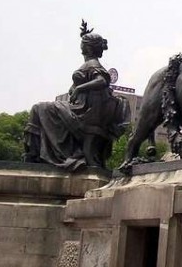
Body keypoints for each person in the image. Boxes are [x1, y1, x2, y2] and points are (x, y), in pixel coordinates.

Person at [24, 22, 130, 170]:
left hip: (82, 113)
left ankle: (34, 154)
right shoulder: (90, 63)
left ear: (86, 47)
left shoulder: (92, 64)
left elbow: (102, 80)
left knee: (38, 108)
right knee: (42, 108)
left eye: (83, 44)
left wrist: (80, 88)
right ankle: (40, 154)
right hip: (81, 108)